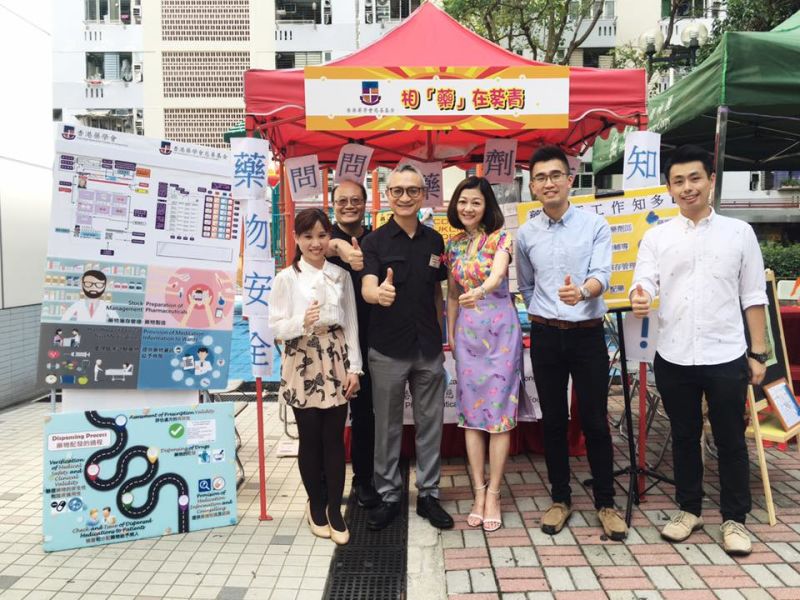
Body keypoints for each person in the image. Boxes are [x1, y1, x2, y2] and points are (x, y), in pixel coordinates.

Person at [630, 144, 768, 556]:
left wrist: (758, 353)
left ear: (711, 180)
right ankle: (688, 510)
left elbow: (753, 295)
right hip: (673, 354)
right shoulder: (657, 236)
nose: (687, 187)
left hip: (725, 353)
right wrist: (640, 295)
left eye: (694, 178)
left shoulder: (739, 233)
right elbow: (644, 280)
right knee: (684, 435)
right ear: (669, 189)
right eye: (678, 181)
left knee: (730, 439)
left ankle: (734, 519)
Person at [516, 145, 627, 541]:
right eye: (540, 178)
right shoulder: (525, 233)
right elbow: (527, 286)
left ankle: (606, 503)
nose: (548, 183)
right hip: (546, 335)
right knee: (552, 421)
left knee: (595, 420)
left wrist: (581, 293)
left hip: (587, 334)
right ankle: (560, 498)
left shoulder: (595, 225)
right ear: (533, 186)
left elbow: (603, 275)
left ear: (569, 179)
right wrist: (546, 311)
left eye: (555, 175)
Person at [361, 163, 453, 531]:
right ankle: (389, 495)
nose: (404, 197)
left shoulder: (435, 240)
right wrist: (377, 294)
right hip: (387, 349)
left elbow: (438, 292)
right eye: (397, 190)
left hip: (428, 347)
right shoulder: (374, 242)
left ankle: (429, 494)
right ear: (388, 195)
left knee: (431, 424)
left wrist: (443, 335)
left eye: (412, 190)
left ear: (423, 195)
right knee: (387, 427)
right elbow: (368, 285)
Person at [268, 208, 361, 545]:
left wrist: (355, 368)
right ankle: (316, 504)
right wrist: (301, 322)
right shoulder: (285, 278)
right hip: (301, 358)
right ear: (296, 238)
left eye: (322, 235)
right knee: (309, 438)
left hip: (335, 357)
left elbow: (351, 323)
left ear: (329, 237)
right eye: (308, 236)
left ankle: (335, 509)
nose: (315, 243)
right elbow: (276, 327)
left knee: (334, 438)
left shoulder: (341, 275)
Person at [445, 176, 522, 532]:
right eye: (463, 202)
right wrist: (451, 336)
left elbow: (498, 274)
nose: (468, 208)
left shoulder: (501, 238)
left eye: (475, 202)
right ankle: (478, 490)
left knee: (499, 414)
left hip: (501, 335)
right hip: (468, 338)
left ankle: (494, 492)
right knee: (471, 415)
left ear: (487, 206)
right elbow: (451, 295)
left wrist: (480, 290)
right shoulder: (453, 245)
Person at [326, 179, 381, 509]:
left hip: (368, 340)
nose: (349, 205)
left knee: (364, 416)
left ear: (365, 203)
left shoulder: (375, 240)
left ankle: (364, 480)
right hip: (328, 345)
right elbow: (318, 250)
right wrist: (339, 245)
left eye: (355, 200)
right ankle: (326, 485)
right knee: (328, 419)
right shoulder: (320, 237)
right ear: (333, 204)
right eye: (342, 200)